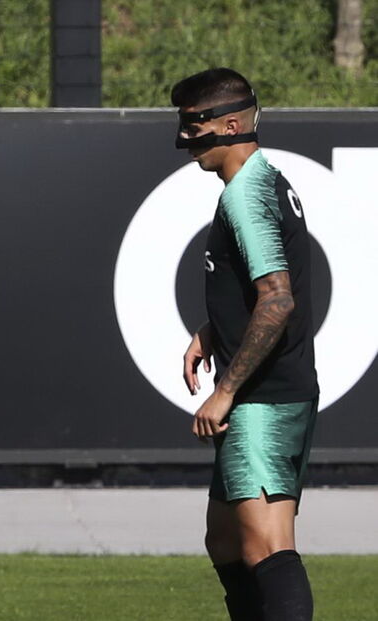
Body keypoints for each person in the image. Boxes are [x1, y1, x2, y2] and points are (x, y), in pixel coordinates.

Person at [174, 68, 318, 620]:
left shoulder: (245, 196)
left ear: (230, 124)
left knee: (267, 548)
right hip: (271, 391)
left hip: (262, 398)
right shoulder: (265, 180)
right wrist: (213, 331)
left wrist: (226, 390)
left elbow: (277, 299)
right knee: (225, 540)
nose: (186, 141)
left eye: (194, 126)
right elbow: (267, 287)